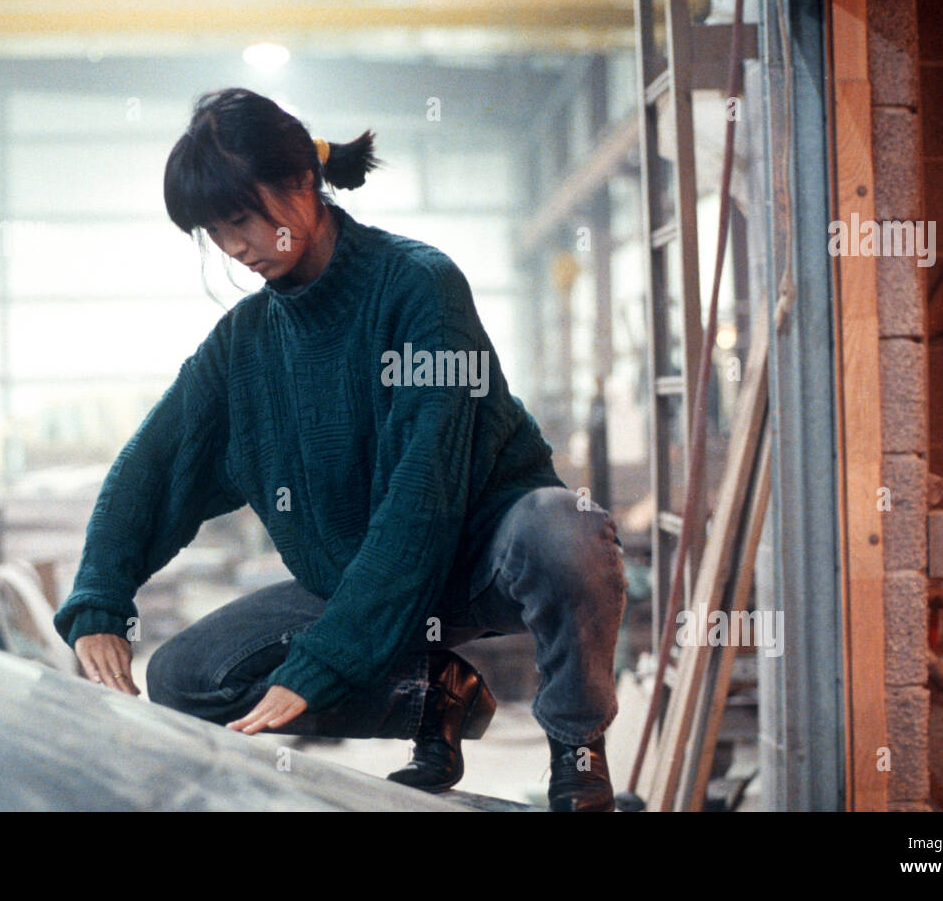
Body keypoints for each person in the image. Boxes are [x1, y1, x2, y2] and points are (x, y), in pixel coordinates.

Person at [52, 87, 628, 811]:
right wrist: (101, 597)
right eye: (213, 231)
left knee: (563, 528)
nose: (232, 247)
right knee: (185, 678)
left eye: (238, 219)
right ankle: (431, 699)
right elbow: (151, 465)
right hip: (352, 579)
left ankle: (577, 750)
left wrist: (326, 663)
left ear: (299, 181)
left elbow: (423, 496)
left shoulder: (420, 287)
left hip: (479, 559)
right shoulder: (245, 346)